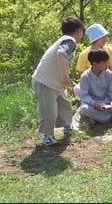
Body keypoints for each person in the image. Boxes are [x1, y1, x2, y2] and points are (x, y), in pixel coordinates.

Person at [31, 16, 84, 146]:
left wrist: (63, 79)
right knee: (49, 110)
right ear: (78, 31)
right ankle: (47, 136)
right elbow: (61, 55)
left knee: (64, 104)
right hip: (45, 82)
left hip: (55, 82)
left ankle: (67, 127)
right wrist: (65, 76)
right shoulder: (69, 40)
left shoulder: (65, 40)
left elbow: (63, 60)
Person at [78, 49, 112, 125]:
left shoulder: (108, 73)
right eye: (104, 63)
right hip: (93, 103)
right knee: (84, 109)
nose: (107, 65)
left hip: (107, 101)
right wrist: (94, 103)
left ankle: (100, 118)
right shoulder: (85, 77)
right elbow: (84, 96)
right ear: (95, 64)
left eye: (107, 62)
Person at [74, 23, 112, 98]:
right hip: (91, 84)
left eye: (105, 37)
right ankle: (95, 98)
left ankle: (109, 96)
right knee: (77, 89)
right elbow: (82, 73)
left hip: (107, 81)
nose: (105, 39)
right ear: (95, 39)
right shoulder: (84, 54)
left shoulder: (110, 50)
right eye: (102, 37)